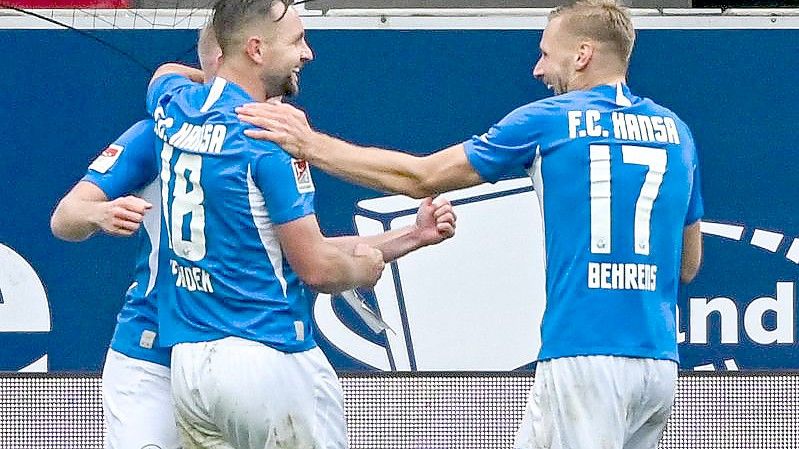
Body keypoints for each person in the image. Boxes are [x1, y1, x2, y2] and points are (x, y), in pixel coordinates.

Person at [235, 1, 703, 448]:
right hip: (658, 364)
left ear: (582, 55)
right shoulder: (677, 131)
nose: (538, 70)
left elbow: (421, 177)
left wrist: (308, 144)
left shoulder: (550, 121)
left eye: (544, 53)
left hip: (586, 354)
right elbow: (687, 265)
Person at [146, 1, 457, 448]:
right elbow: (317, 268)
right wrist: (363, 270)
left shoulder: (171, 107)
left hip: (190, 370)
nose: (307, 53)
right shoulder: (271, 138)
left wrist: (410, 236)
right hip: (266, 358)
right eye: (296, 41)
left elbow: (163, 72)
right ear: (255, 48)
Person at [49, 26, 222, 449]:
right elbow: (65, 217)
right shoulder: (156, 133)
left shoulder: (282, 137)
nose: (305, 54)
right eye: (293, 41)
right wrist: (99, 212)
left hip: (239, 356)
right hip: (151, 354)